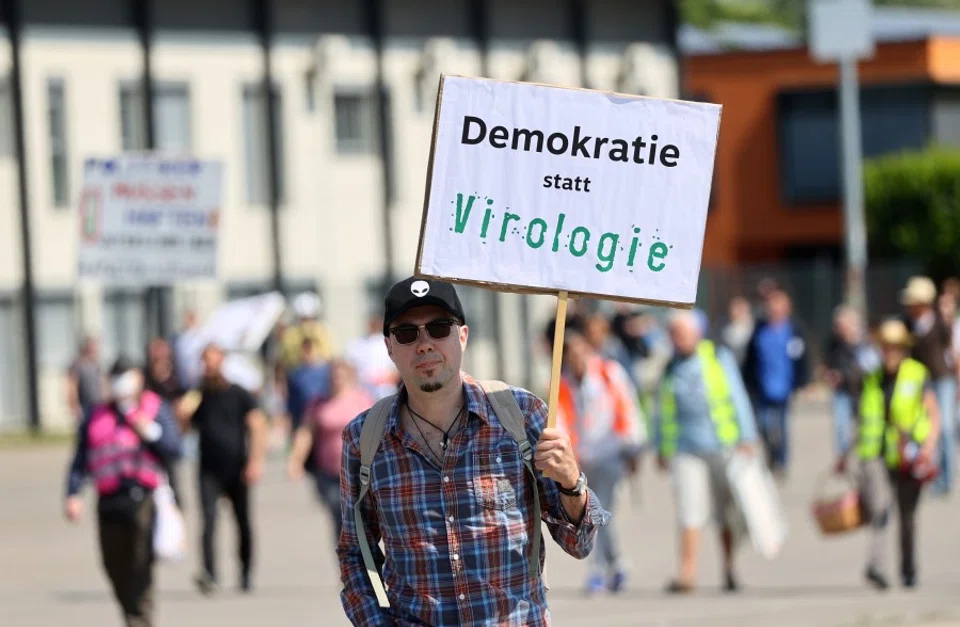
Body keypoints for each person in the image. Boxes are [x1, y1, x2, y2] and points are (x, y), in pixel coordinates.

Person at [337, 276, 610, 626]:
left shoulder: (521, 414)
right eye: (407, 333)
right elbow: (356, 553)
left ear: (462, 336)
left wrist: (572, 484)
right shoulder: (364, 438)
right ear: (389, 346)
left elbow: (580, 542)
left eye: (438, 328)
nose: (424, 344)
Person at [64, 357, 183, 627]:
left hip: (143, 498)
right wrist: (73, 494)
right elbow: (80, 459)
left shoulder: (153, 408)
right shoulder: (96, 415)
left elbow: (175, 449)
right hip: (108, 501)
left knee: (140, 565)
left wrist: (149, 430)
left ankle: (139, 619)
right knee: (114, 565)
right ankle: (132, 612)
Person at [656, 310, 759, 594]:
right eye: (673, 334)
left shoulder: (716, 358)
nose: (677, 339)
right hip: (685, 449)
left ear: (696, 333)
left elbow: (738, 397)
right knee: (689, 510)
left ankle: (729, 567)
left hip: (722, 445)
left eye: (682, 333)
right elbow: (662, 411)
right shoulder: (669, 368)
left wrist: (747, 436)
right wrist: (661, 447)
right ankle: (687, 572)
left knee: (726, 513)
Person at [837, 319, 940, 590]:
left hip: (908, 455)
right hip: (876, 453)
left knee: (907, 517)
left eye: (895, 347)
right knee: (879, 508)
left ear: (903, 349)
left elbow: (933, 413)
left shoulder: (918, 375)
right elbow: (861, 418)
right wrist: (845, 453)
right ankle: (877, 565)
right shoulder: (871, 377)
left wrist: (929, 445)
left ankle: (908, 569)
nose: (890, 353)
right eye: (886, 347)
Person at [556, 317, 646, 594]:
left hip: (610, 453)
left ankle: (598, 569)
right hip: (581, 461)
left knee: (599, 512)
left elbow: (628, 407)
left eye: (582, 352)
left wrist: (634, 446)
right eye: (571, 354)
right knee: (596, 514)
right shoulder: (562, 385)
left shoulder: (609, 373)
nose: (577, 359)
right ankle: (617, 564)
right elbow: (558, 420)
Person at [179, 343, 268, 595]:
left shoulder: (239, 393)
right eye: (204, 361)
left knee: (242, 521)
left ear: (222, 362)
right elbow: (184, 429)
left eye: (212, 360)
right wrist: (182, 415)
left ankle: (246, 572)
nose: (208, 366)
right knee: (208, 520)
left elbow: (257, 425)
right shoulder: (198, 395)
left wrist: (255, 461)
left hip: (238, 467)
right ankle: (209, 574)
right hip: (208, 468)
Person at [287, 358, 375, 550]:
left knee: (357, 517)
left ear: (350, 377)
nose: (337, 380)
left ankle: (363, 558)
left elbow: (377, 430)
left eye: (341, 376)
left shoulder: (362, 399)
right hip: (328, 472)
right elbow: (306, 433)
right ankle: (347, 561)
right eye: (333, 376)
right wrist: (296, 461)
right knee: (339, 515)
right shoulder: (318, 403)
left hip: (358, 471)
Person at [741, 289, 810, 478]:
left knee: (781, 426)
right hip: (763, 387)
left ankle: (781, 460)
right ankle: (772, 454)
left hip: (783, 387)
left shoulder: (793, 330)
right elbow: (750, 358)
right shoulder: (760, 329)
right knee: (763, 425)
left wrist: (802, 382)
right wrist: (748, 381)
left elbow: (801, 358)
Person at [900, 276, 954, 496]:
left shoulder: (940, 323)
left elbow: (952, 353)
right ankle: (924, 472)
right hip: (920, 382)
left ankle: (946, 477)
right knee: (921, 430)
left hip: (942, 380)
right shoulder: (908, 324)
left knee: (945, 429)